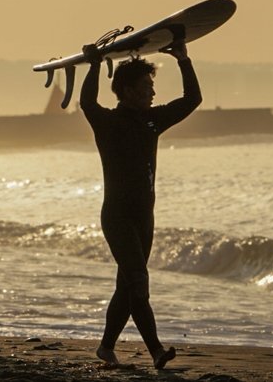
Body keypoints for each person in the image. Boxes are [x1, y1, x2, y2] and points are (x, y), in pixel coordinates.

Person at [80, 38, 201, 371]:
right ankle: (156, 351)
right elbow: (87, 102)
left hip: (144, 218)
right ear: (128, 91)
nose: (152, 92)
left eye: (152, 85)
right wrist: (94, 65)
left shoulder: (153, 121)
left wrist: (183, 59)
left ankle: (106, 347)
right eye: (147, 86)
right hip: (117, 216)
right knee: (138, 282)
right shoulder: (107, 122)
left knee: (128, 285)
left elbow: (193, 99)